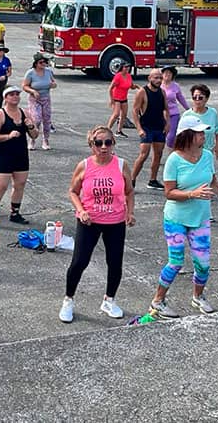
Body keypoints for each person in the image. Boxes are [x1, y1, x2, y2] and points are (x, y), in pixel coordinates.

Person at [149, 115, 218, 318]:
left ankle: (198, 296)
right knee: (176, 262)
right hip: (176, 218)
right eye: (199, 133)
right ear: (187, 135)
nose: (204, 135)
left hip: (200, 218)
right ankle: (158, 301)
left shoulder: (206, 156)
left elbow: (212, 179)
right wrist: (192, 194)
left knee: (203, 264)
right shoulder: (174, 160)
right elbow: (169, 193)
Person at [60, 126, 135, 323]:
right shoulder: (84, 165)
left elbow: (129, 191)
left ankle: (109, 300)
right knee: (79, 262)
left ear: (113, 143)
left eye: (108, 142)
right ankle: (68, 300)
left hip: (115, 221)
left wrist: (130, 212)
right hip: (89, 221)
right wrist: (81, 210)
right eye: (98, 143)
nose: (103, 147)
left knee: (115, 263)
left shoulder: (121, 165)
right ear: (91, 145)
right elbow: (73, 191)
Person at [0, 86, 38, 224]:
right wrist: (8, 136)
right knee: (0, 187)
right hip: (3, 155)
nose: (15, 96)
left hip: (21, 154)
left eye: (17, 94)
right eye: (11, 94)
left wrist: (31, 126)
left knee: (20, 184)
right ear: (5, 98)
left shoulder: (25, 113)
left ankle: (15, 213)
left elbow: (35, 135)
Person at [131, 68, 169, 189]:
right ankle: (131, 180)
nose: (158, 80)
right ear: (149, 78)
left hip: (159, 127)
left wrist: (168, 124)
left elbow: (166, 109)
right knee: (143, 155)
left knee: (158, 154)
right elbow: (135, 111)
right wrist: (139, 129)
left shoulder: (162, 92)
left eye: (160, 78)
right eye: (156, 78)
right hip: (146, 128)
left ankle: (152, 180)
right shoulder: (142, 92)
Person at [22, 52, 58, 150]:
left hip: (46, 98)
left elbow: (53, 82)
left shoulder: (48, 72)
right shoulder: (30, 73)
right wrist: (33, 91)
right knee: (36, 119)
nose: (43, 64)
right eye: (41, 62)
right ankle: (32, 139)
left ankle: (45, 140)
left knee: (47, 120)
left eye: (45, 62)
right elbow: (24, 86)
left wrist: (53, 85)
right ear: (36, 64)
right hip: (35, 99)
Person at [182, 84, 218, 163]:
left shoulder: (213, 113)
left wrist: (217, 146)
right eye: (194, 97)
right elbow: (181, 136)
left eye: (200, 97)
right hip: (191, 153)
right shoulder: (186, 115)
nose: (197, 100)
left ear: (206, 99)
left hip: (208, 152)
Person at [106, 60, 139, 138]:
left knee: (124, 115)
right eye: (125, 67)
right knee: (116, 114)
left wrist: (137, 87)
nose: (127, 68)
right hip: (116, 97)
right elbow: (110, 88)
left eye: (128, 67)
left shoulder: (128, 76)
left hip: (124, 98)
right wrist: (111, 100)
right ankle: (107, 130)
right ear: (122, 68)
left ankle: (119, 131)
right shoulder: (118, 76)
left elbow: (131, 86)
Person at [161, 66, 189, 149]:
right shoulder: (158, 86)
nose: (167, 75)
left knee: (171, 137)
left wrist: (188, 109)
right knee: (159, 137)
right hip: (161, 115)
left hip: (173, 114)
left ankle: (172, 153)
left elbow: (181, 98)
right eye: (165, 73)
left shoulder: (175, 86)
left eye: (169, 73)